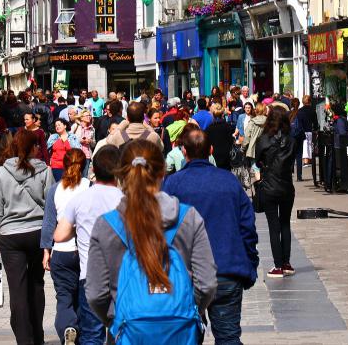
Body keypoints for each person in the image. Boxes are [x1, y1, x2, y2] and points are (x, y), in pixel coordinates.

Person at [85, 140, 217, 341]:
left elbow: (96, 294)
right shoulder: (188, 217)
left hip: (128, 332)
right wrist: (188, 309)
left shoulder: (106, 225)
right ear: (162, 173)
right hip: (181, 331)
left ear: (120, 175)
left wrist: (116, 318)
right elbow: (206, 285)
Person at [163, 128, 259, 345]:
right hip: (225, 269)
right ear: (211, 151)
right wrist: (249, 262)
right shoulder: (229, 181)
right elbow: (247, 227)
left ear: (183, 151)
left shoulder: (172, 184)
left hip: (185, 274)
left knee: (185, 337)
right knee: (228, 337)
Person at [0, 129, 54, 345]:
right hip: (37, 233)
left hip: (10, 236)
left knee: (17, 290)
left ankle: (24, 340)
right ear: (33, 147)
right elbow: (51, 205)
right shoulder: (44, 170)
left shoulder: (2, 172)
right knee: (36, 285)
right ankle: (38, 337)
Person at [52, 146, 122, 345]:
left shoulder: (79, 200)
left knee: (92, 333)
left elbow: (59, 235)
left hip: (90, 276)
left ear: (94, 170)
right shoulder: (125, 200)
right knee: (121, 332)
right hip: (121, 277)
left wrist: (80, 227)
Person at [40, 148, 90, 345]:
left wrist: (46, 251)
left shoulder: (55, 190)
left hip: (61, 252)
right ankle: (77, 330)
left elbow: (48, 223)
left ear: (64, 165)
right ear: (84, 165)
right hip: (85, 252)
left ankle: (67, 328)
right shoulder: (90, 187)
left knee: (64, 297)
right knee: (82, 296)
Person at [254, 105, 296, 278]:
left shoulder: (264, 139)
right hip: (286, 186)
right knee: (285, 223)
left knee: (274, 226)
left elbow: (257, 160)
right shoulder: (291, 140)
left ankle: (277, 265)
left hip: (270, 186)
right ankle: (286, 263)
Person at [205, 103, 236, 171]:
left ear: (213, 115)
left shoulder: (209, 129)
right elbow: (231, 141)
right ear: (222, 114)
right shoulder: (228, 127)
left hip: (214, 157)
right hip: (226, 157)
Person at [72, 110, 96, 177]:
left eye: (90, 116)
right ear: (82, 118)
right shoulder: (76, 126)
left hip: (87, 156)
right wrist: (80, 140)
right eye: (87, 116)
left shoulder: (92, 129)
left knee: (84, 177)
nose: (89, 117)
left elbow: (94, 143)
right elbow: (69, 138)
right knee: (75, 176)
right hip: (76, 155)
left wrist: (90, 141)